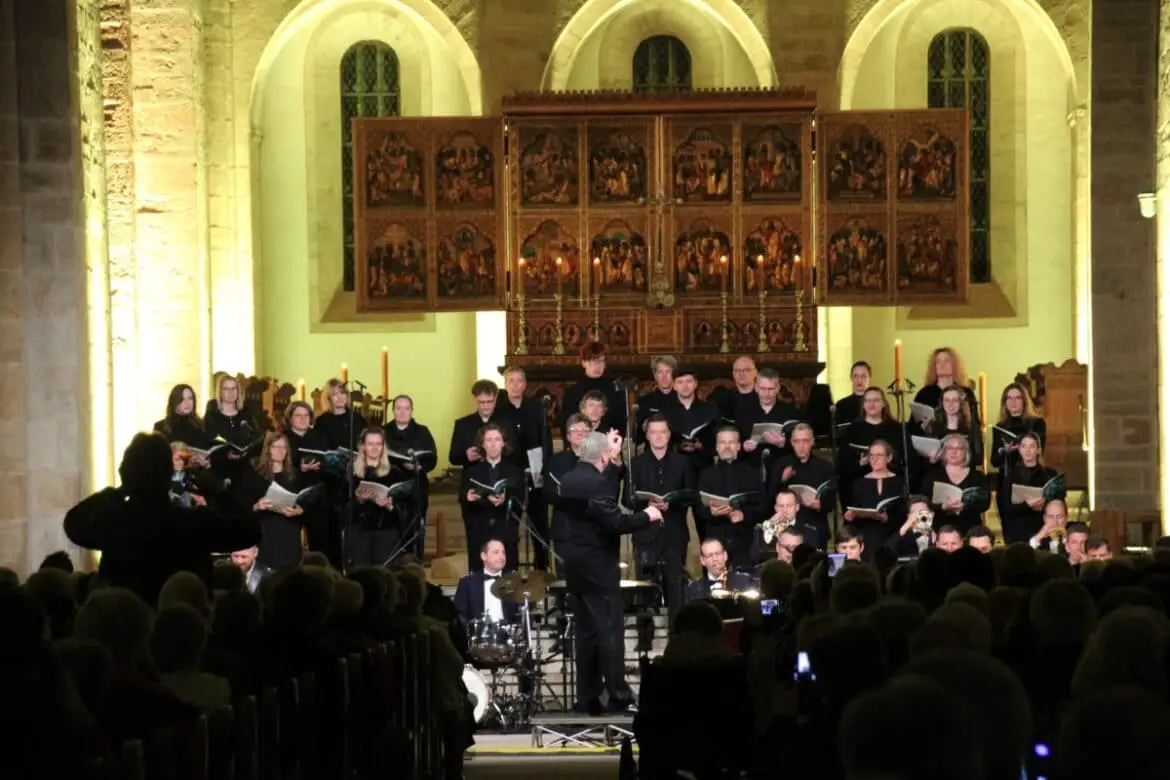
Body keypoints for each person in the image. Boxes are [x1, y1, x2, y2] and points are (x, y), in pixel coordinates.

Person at [63, 432, 260, 606]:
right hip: (184, 632)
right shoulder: (190, 522)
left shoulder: (115, 520)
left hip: (126, 627)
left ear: (125, 472)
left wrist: (118, 491)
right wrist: (217, 492)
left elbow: (73, 524)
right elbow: (250, 531)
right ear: (168, 474)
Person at [557, 430, 663, 714]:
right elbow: (615, 522)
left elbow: (598, 501)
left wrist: (613, 460)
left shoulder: (569, 480)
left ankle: (588, 696)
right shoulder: (596, 484)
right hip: (598, 567)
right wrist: (647, 516)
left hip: (575, 566)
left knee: (587, 633)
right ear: (602, 456)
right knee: (610, 630)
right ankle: (617, 694)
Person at [629, 414, 694, 617]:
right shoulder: (635, 463)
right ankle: (644, 638)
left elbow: (691, 495)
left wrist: (671, 503)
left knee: (676, 586)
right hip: (645, 533)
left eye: (662, 432)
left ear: (669, 435)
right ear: (647, 436)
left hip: (675, 532)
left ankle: (677, 636)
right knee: (645, 588)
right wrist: (647, 504)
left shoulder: (683, 462)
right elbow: (626, 499)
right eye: (653, 432)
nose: (658, 436)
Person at [495, 367, 554, 570]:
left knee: (539, 524)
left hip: (535, 471)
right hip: (510, 473)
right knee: (511, 525)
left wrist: (545, 470)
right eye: (511, 381)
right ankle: (509, 569)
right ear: (505, 384)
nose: (515, 385)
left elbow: (545, 440)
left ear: (525, 384)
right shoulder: (499, 411)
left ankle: (542, 570)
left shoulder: (536, 408)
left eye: (519, 381)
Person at [453, 539, 519, 626]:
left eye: (503, 552)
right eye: (496, 552)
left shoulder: (514, 580)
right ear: (484, 556)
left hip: (509, 635)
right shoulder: (467, 582)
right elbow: (459, 615)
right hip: (478, 635)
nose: (501, 556)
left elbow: (523, 612)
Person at [685, 538, 752, 601]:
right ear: (702, 560)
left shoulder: (744, 581)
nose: (715, 559)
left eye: (718, 553)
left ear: (725, 555)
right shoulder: (693, 588)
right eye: (709, 555)